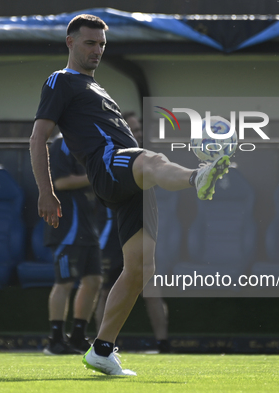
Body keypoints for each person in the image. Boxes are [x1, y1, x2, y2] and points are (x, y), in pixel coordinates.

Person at [30, 14, 229, 376]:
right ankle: (198, 176)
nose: (97, 50)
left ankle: (102, 350)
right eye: (90, 43)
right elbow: (37, 137)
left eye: (102, 45)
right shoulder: (60, 81)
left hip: (130, 181)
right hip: (108, 167)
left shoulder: (99, 88)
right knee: (151, 158)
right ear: (70, 43)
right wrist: (46, 191)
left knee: (140, 270)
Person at [94, 111, 170, 354]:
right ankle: (102, 345)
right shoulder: (107, 156)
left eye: (139, 130)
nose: (137, 134)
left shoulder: (147, 160)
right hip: (112, 236)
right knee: (105, 290)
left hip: (139, 231)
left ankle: (163, 344)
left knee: (151, 289)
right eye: (133, 130)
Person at [42, 135, 103, 355]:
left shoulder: (90, 144)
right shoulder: (61, 144)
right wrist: (94, 176)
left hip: (88, 229)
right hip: (67, 229)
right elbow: (60, 182)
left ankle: (78, 336)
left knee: (94, 281)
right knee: (64, 283)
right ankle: (55, 340)